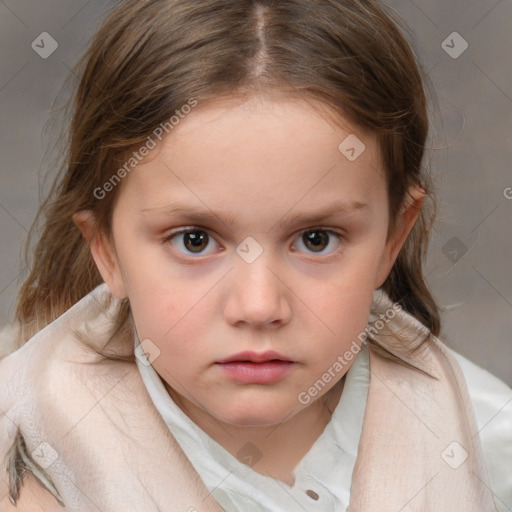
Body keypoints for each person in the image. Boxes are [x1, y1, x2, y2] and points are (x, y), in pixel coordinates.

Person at [0, 0, 510, 510]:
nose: (259, 305)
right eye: (195, 240)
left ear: (392, 239)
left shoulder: (487, 442)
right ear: (106, 250)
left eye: (316, 239)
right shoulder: (29, 462)